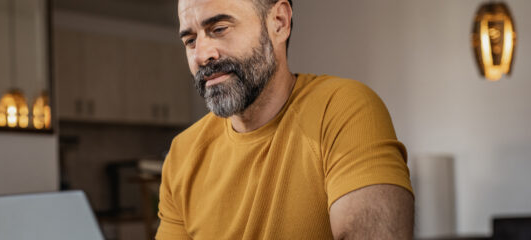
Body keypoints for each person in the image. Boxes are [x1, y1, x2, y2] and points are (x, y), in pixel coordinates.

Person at [156, 0, 414, 239]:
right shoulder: (182, 154)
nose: (201, 55)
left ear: (279, 22)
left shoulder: (343, 108)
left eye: (219, 28)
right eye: (190, 41)